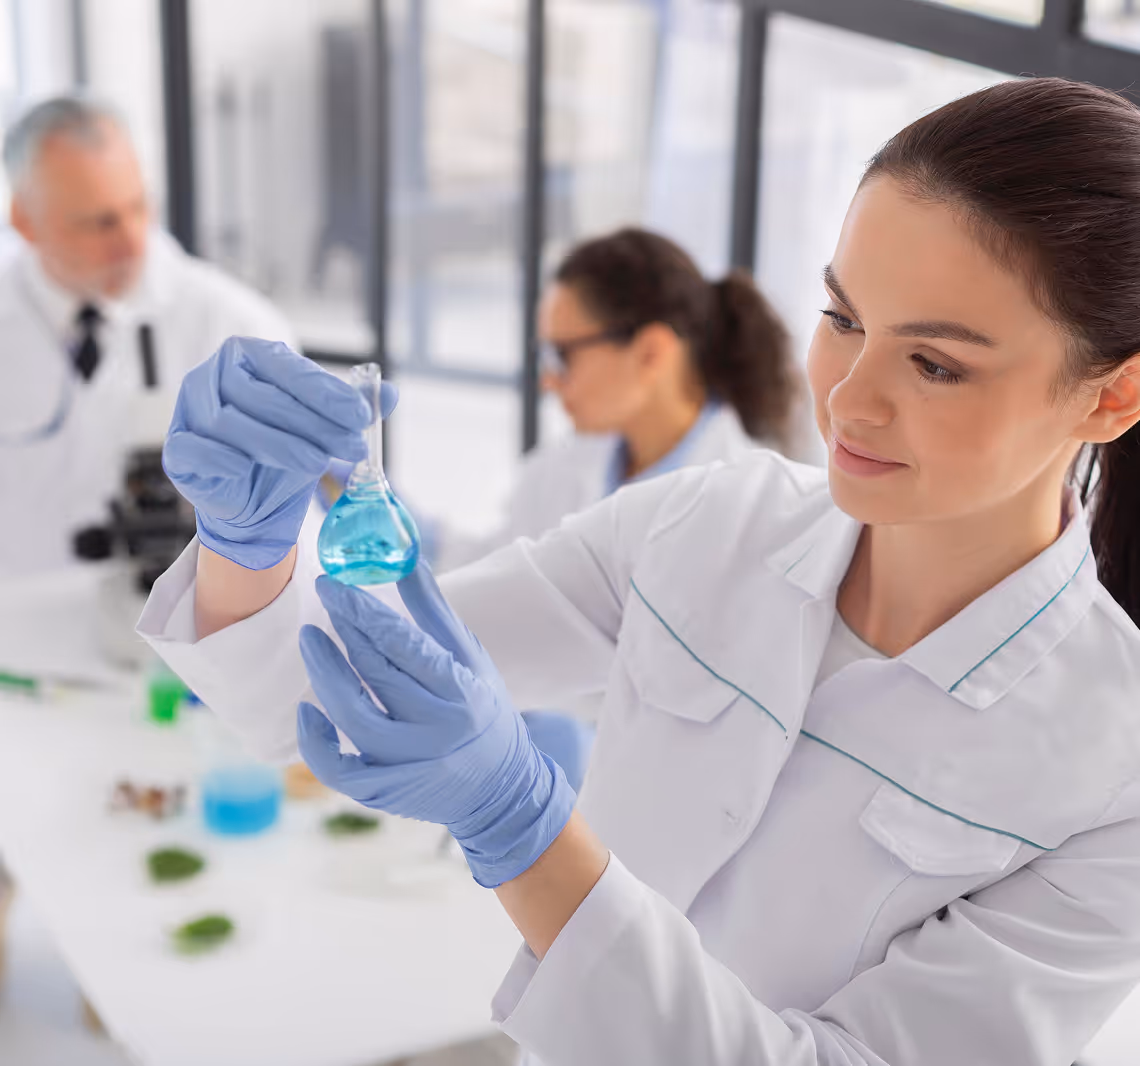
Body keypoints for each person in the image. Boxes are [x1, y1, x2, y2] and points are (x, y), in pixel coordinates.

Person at [140, 78, 1140, 1066]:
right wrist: (246, 540)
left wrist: (522, 831)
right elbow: (319, 701)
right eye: (843, 321)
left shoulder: (1113, 772)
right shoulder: (710, 524)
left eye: (934, 364)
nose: (849, 399)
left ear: (1110, 395)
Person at [0, 96, 296, 575]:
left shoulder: (235, 327)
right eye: (98, 222)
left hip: (178, 632)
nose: (131, 240)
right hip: (16, 628)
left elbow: (288, 517)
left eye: (138, 206)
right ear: (24, 222)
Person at [428, 227, 798, 571]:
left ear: (652, 352)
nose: (548, 381)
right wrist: (405, 533)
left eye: (563, 355)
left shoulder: (749, 507)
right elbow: (492, 570)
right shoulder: (564, 469)